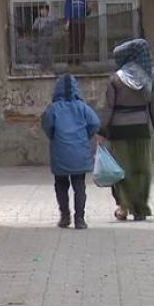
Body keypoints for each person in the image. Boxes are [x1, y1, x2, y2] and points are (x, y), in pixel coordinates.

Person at [97, 39, 154, 221]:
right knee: (142, 170)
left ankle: (123, 206)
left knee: (122, 169)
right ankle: (140, 208)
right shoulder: (149, 79)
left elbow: (109, 108)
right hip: (141, 129)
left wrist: (102, 131)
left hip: (119, 131)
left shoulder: (115, 79)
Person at [41, 74, 101, 229]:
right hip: (79, 152)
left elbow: (47, 126)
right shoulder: (82, 107)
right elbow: (95, 123)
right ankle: (80, 219)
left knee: (61, 185)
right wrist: (85, 136)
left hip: (60, 152)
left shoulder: (53, 109)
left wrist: (54, 137)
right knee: (79, 185)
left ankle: (65, 216)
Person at [64, 0, 89, 65]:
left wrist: (90, 9)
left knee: (80, 41)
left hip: (81, 22)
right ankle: (71, 61)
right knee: (73, 42)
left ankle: (79, 61)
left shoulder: (83, 0)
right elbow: (67, 10)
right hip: (73, 23)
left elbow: (86, 12)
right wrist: (67, 21)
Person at [32, 4, 55, 70]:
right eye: (41, 10)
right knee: (42, 52)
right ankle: (43, 67)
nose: (42, 11)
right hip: (41, 37)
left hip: (49, 37)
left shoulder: (51, 18)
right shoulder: (38, 19)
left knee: (49, 52)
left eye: (44, 10)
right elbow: (34, 28)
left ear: (47, 11)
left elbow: (56, 23)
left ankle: (50, 66)